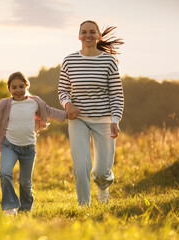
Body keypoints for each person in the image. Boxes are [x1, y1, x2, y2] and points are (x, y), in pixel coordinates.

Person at [0, 72, 67, 215]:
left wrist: (67, 114)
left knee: (25, 182)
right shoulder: (5, 104)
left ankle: (25, 209)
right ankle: (9, 206)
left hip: (29, 149)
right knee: (5, 173)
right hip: (9, 146)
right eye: (14, 87)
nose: (18, 90)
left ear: (27, 86)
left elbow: (50, 111)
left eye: (21, 86)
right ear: (9, 89)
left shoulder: (35, 102)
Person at [58, 20, 124, 206]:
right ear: (79, 36)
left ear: (99, 35)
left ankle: (103, 185)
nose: (88, 35)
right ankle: (84, 206)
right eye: (84, 32)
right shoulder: (69, 60)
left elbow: (116, 94)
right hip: (78, 119)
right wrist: (68, 105)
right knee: (81, 167)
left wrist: (115, 119)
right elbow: (62, 90)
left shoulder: (108, 61)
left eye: (92, 32)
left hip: (104, 119)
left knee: (102, 171)